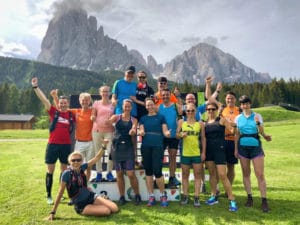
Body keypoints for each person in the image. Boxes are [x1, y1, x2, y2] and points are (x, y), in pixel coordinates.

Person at [47, 142, 119, 220]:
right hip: (81, 204)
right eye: (73, 160)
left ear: (81, 161)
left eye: (78, 160)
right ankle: (97, 204)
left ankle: (99, 202)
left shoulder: (82, 167)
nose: (76, 162)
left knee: (115, 208)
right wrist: (53, 212)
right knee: (106, 211)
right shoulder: (66, 174)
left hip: (91, 197)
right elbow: (60, 193)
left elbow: (96, 158)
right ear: (69, 161)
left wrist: (103, 146)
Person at [31, 77, 74, 205]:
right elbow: (44, 99)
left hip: (66, 146)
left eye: (65, 103)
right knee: (50, 170)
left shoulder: (71, 115)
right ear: (58, 104)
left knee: (64, 171)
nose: (63, 104)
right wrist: (35, 87)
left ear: (68, 104)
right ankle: (49, 195)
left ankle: (61, 192)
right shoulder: (53, 112)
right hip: (53, 145)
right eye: (61, 103)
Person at [235, 95, 272, 213]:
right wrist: (236, 149)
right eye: (242, 104)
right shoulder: (238, 118)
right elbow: (236, 134)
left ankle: (264, 200)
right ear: (240, 106)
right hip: (242, 147)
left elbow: (261, 132)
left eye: (247, 103)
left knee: (260, 174)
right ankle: (249, 197)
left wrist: (258, 124)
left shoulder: (257, 116)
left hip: (255, 147)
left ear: (250, 104)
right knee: (246, 174)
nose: (245, 106)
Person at [51, 90, 94, 181]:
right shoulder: (76, 111)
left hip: (91, 142)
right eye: (83, 100)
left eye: (87, 100)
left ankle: (86, 185)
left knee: (89, 166)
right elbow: (61, 108)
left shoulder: (93, 111)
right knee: (77, 165)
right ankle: (78, 184)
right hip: (79, 143)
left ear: (90, 101)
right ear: (80, 101)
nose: (84, 102)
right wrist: (55, 96)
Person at [204, 102, 238, 212]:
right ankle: (214, 196)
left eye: (213, 109)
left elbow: (232, 129)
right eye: (208, 109)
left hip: (220, 150)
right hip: (209, 152)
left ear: (216, 109)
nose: (210, 111)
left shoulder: (221, 120)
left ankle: (232, 199)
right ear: (206, 110)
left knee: (223, 175)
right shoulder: (204, 123)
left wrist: (235, 129)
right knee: (212, 174)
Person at [107, 99, 141, 205]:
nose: (127, 108)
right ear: (122, 107)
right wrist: (111, 108)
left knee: (131, 173)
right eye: (125, 106)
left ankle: (137, 195)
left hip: (128, 147)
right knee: (119, 173)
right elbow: (107, 122)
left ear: (131, 108)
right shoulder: (116, 117)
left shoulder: (134, 119)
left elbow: (134, 128)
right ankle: (122, 196)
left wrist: (133, 131)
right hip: (116, 148)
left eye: (129, 106)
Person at [139, 98, 171, 207]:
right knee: (148, 171)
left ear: (154, 105)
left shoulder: (161, 117)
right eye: (148, 105)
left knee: (157, 171)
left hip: (158, 146)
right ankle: (151, 196)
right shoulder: (143, 118)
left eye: (151, 105)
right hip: (146, 147)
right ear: (146, 107)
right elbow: (141, 129)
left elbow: (165, 130)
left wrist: (166, 133)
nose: (150, 107)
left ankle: (163, 195)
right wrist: (141, 132)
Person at [176, 103, 206, 207]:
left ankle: (196, 197)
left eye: (192, 110)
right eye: (188, 111)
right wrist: (180, 135)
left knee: (198, 175)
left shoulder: (200, 124)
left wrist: (203, 152)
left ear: (196, 111)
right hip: (185, 153)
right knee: (185, 175)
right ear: (185, 112)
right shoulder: (181, 122)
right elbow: (176, 134)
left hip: (196, 153)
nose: (190, 113)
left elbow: (203, 138)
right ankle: (185, 195)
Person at [158, 88, 182, 187]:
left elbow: (181, 120)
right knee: (159, 157)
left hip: (173, 136)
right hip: (162, 136)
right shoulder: (158, 107)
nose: (165, 97)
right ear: (161, 96)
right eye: (163, 95)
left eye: (167, 95)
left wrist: (178, 131)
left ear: (170, 95)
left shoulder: (176, 106)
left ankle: (172, 178)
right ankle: (158, 178)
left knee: (172, 156)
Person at [91, 86, 116, 182]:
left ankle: (109, 172)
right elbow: (93, 114)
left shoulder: (113, 104)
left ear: (109, 93)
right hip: (97, 131)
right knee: (98, 153)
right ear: (100, 93)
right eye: (103, 91)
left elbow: (116, 115)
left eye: (107, 91)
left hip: (109, 131)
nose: (105, 93)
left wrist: (111, 120)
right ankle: (99, 173)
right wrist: (93, 117)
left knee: (110, 152)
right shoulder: (96, 103)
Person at [221, 91, 241, 188]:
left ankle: (228, 189)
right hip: (223, 140)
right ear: (225, 99)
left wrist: (234, 124)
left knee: (231, 166)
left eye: (232, 98)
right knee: (221, 166)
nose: (230, 100)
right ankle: (219, 188)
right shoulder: (222, 110)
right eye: (228, 98)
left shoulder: (239, 110)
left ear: (235, 99)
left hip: (234, 141)